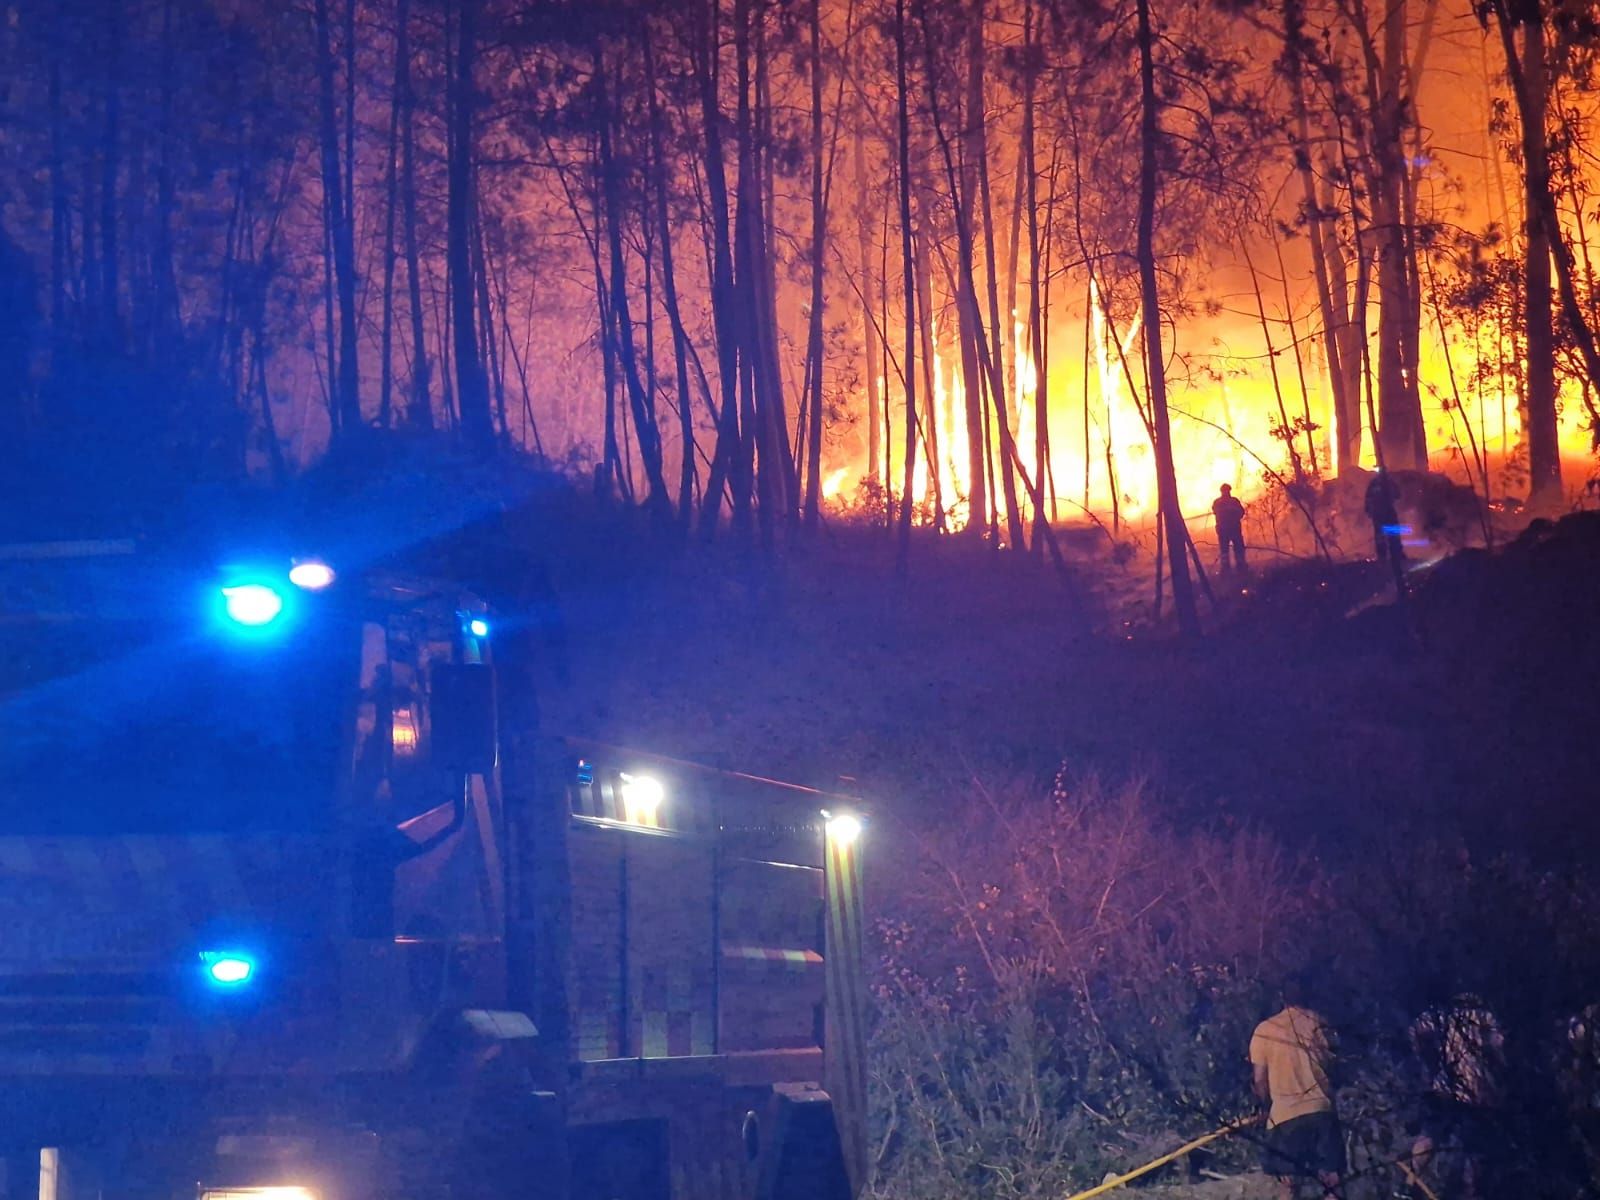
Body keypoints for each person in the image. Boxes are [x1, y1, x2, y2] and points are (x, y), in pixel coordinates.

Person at [1249, 978, 1342, 1199]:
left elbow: (1260, 1080)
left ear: (1281, 997)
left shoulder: (1265, 1031)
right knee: (1333, 1182)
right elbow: (1334, 1065)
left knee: (1289, 1185)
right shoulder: (1319, 1023)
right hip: (1321, 1111)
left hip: (1285, 1117)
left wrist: (1265, 1106)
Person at [1409, 994, 1507, 1199]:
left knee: (1431, 1133)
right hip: (1477, 1094)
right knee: (1474, 1148)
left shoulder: (1441, 1016)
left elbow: (1416, 1031)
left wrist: (1427, 1063)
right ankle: (1470, 1192)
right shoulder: (1485, 1018)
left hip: (1443, 1089)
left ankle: (1411, 1179)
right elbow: (1500, 1050)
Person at [1364, 469, 1404, 564]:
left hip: (1384, 512)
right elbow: (1368, 498)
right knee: (1383, 535)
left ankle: (1393, 554)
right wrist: (1369, 509)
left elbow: (1397, 495)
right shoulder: (1380, 483)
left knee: (1390, 534)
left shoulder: (1385, 483)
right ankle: (1385, 555)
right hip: (1381, 512)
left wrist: (1368, 510)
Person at [1212, 484, 1247, 574]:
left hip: (1227, 530)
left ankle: (1231, 568)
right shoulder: (1233, 501)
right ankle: (1237, 567)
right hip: (1231, 529)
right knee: (1230, 550)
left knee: (1227, 550)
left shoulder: (1219, 502)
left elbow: (1215, 512)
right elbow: (1241, 513)